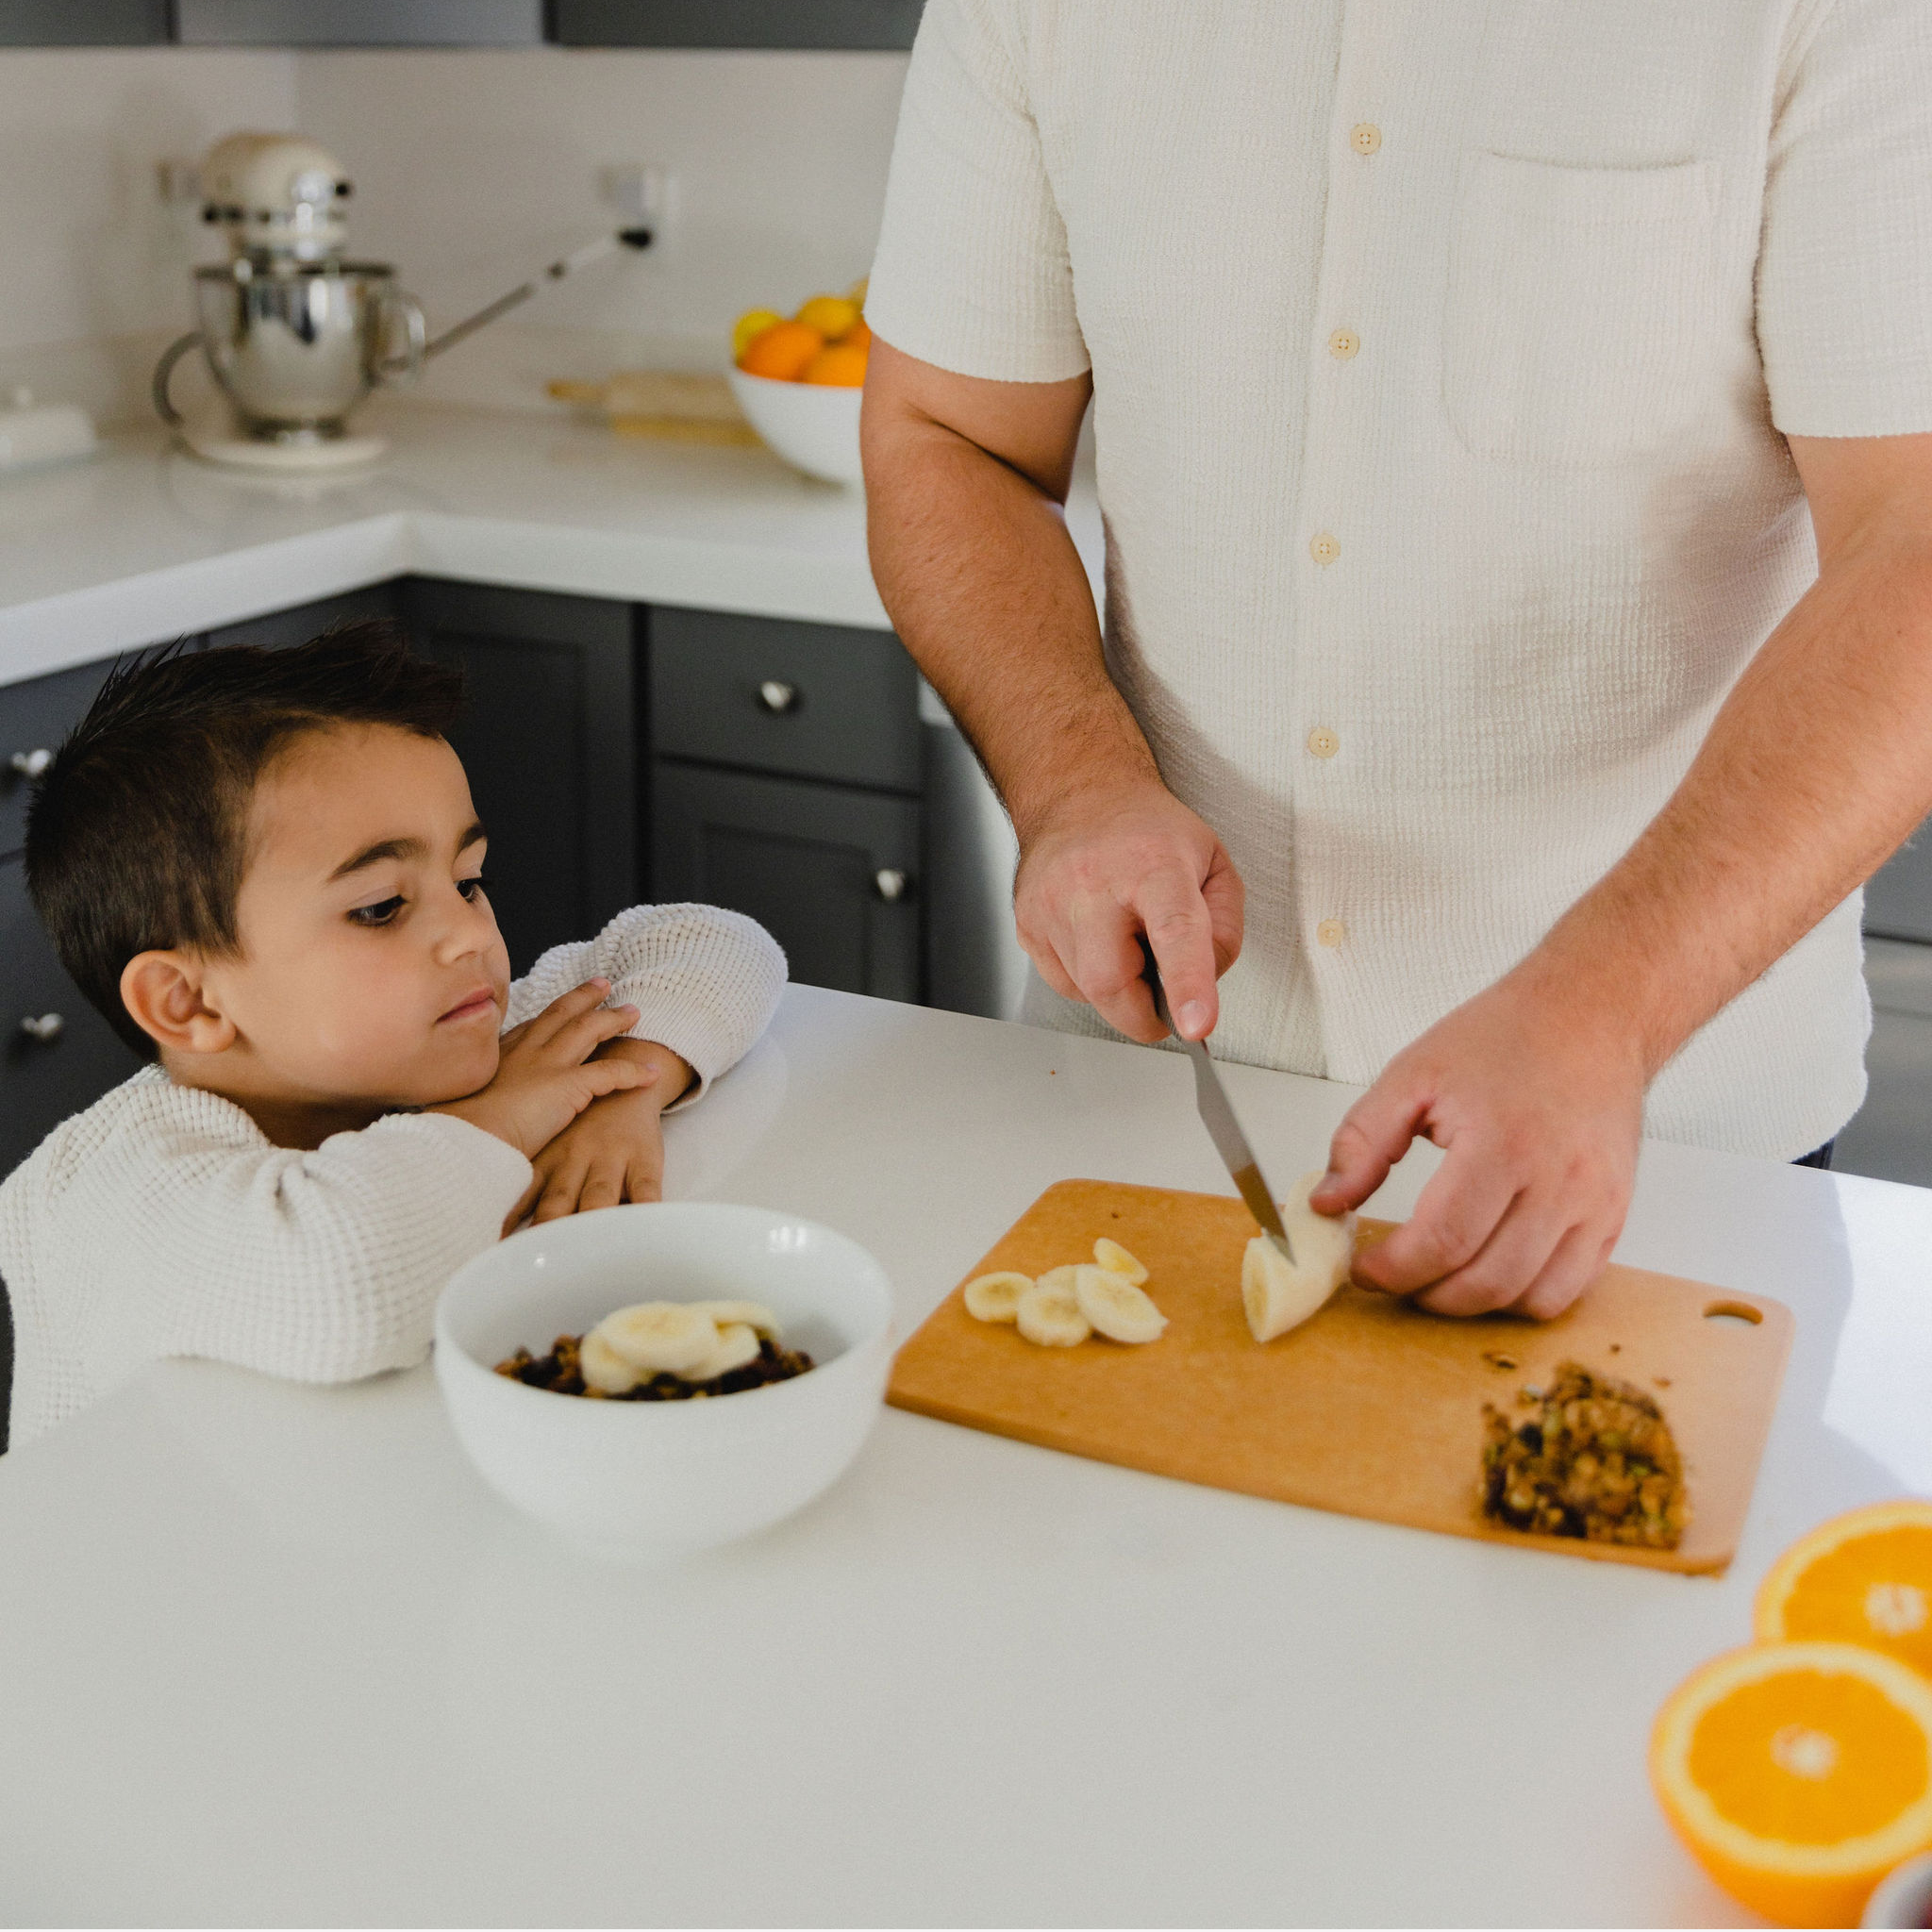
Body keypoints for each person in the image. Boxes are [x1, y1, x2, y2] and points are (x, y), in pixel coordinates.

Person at [860, 0, 1932, 1319]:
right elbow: (944, 435)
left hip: (1664, 1144)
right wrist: (1073, 781)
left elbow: (1917, 552)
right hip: (1147, 1114)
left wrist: (1605, 1004)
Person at [0, 625, 786, 1448]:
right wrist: (506, 1119)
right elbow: (348, 1282)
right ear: (189, 1002)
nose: (470, 938)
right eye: (380, 908)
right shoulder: (109, 1188)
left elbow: (711, 943)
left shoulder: (459, 1042)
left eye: (467, 880)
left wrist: (625, 1081)